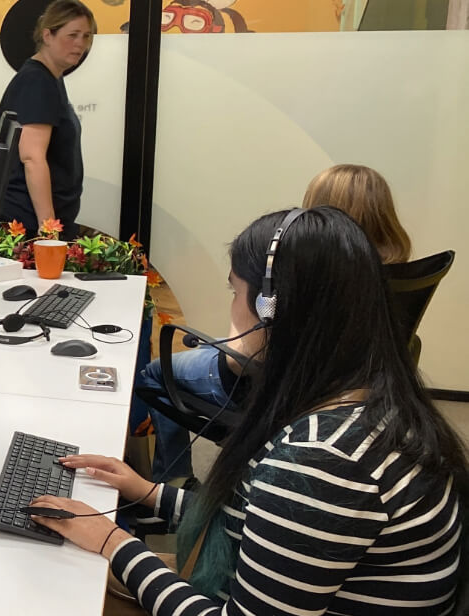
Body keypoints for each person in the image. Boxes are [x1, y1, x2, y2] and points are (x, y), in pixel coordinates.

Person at [32, 207, 466, 616]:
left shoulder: (323, 458)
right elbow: (264, 524)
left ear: (270, 311)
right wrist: (149, 493)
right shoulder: (367, 397)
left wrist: (113, 541)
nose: (232, 307)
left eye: (235, 290)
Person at [134, 163, 414, 481]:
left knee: (155, 373)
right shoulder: (398, 269)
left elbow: (247, 357)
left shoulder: (309, 272)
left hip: (272, 382)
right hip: (352, 388)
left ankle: (174, 478)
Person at [0, 0, 94, 239]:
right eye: (72, 35)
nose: (80, 44)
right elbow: (32, 157)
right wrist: (48, 229)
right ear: (47, 35)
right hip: (27, 225)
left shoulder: (51, 78)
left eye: (87, 36)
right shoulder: (37, 81)